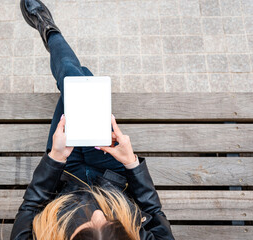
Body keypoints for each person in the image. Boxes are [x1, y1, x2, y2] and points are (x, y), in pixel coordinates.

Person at [11, 1, 175, 239]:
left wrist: (54, 159)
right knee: (80, 81)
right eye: (111, 223)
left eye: (85, 225)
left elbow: (30, 208)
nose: (97, 213)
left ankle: (49, 31)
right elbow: (153, 212)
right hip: (114, 175)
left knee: (78, 81)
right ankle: (50, 31)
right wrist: (132, 164)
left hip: (65, 173)